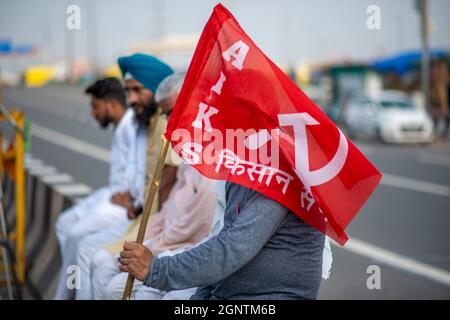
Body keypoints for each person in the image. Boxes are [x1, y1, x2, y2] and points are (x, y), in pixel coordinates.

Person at [119, 78, 327, 300]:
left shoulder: (282, 173)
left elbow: (234, 247)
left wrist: (156, 269)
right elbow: (224, 242)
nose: (214, 121)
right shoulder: (243, 167)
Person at [73, 54, 179, 299]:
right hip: (142, 217)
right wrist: (138, 203)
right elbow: (147, 181)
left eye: (137, 91)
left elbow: (166, 188)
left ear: (156, 88)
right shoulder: (147, 123)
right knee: (90, 251)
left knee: (99, 260)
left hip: (159, 225)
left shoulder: (166, 124)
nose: (130, 99)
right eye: (128, 91)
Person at [54, 77, 135, 299]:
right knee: (64, 224)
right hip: (111, 194)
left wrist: (134, 198)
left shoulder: (130, 126)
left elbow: (146, 168)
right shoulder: (123, 125)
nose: (93, 113)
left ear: (112, 104)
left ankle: (67, 295)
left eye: (95, 106)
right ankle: (71, 283)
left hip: (124, 203)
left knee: (77, 236)